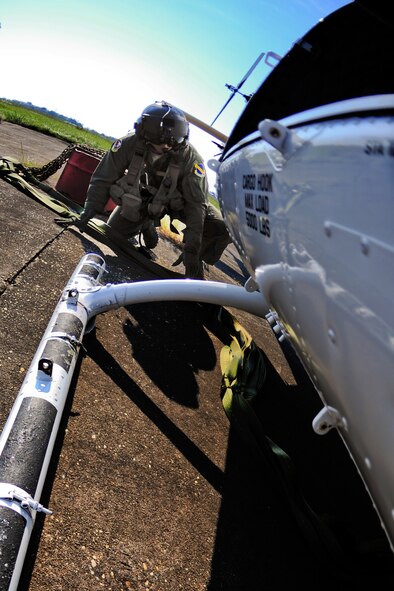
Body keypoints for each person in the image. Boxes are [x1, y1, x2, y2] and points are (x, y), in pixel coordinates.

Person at [77, 100, 231, 279]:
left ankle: (199, 260)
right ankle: (146, 224)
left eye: (173, 140)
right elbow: (104, 178)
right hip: (143, 199)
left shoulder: (192, 159)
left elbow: (196, 206)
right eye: (161, 140)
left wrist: (192, 250)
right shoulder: (129, 144)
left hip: (179, 204)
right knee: (112, 235)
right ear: (145, 134)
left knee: (221, 227)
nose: (167, 146)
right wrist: (89, 210)